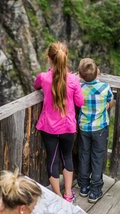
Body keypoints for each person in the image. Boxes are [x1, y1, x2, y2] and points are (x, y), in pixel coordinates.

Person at [34, 42, 84, 202]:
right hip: (68, 126)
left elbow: (36, 86)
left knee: (52, 160)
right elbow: (80, 102)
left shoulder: (44, 78)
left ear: (49, 58)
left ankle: (57, 196)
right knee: (67, 157)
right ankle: (68, 194)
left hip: (49, 127)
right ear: (66, 58)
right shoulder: (74, 80)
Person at [76, 58, 114, 203]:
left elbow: (78, 103)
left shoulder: (79, 88)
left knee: (84, 155)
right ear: (97, 71)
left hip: (84, 127)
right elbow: (110, 101)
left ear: (80, 75)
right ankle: (95, 190)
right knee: (97, 157)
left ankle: (84, 186)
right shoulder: (105, 87)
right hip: (100, 127)